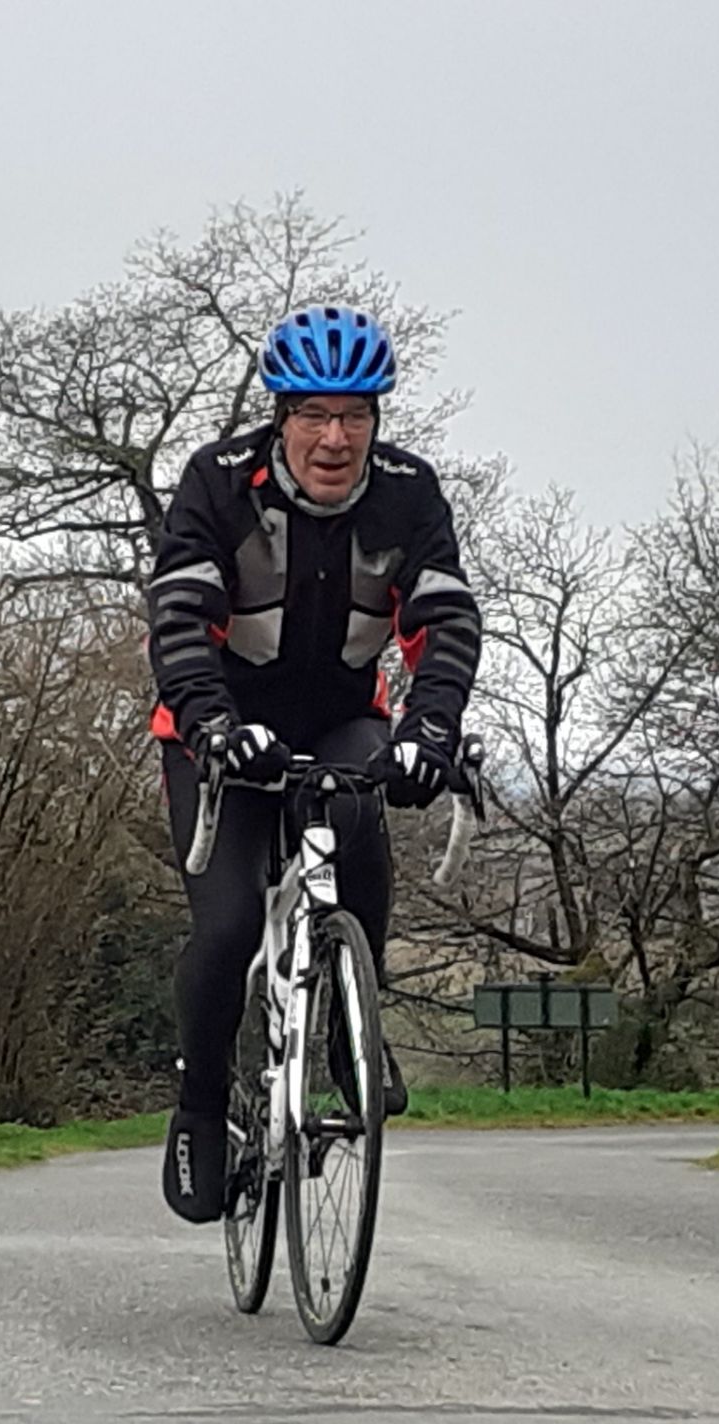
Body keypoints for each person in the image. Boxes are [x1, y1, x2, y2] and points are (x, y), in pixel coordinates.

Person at [146, 305, 482, 1223]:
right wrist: (212, 723)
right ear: (281, 415)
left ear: (376, 418)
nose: (335, 438)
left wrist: (432, 729)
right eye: (315, 414)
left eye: (355, 414)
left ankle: (347, 1032)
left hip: (339, 718)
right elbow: (180, 617)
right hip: (219, 726)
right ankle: (202, 1104)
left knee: (363, 815)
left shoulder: (408, 495)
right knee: (226, 929)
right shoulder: (218, 483)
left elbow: (444, 620)